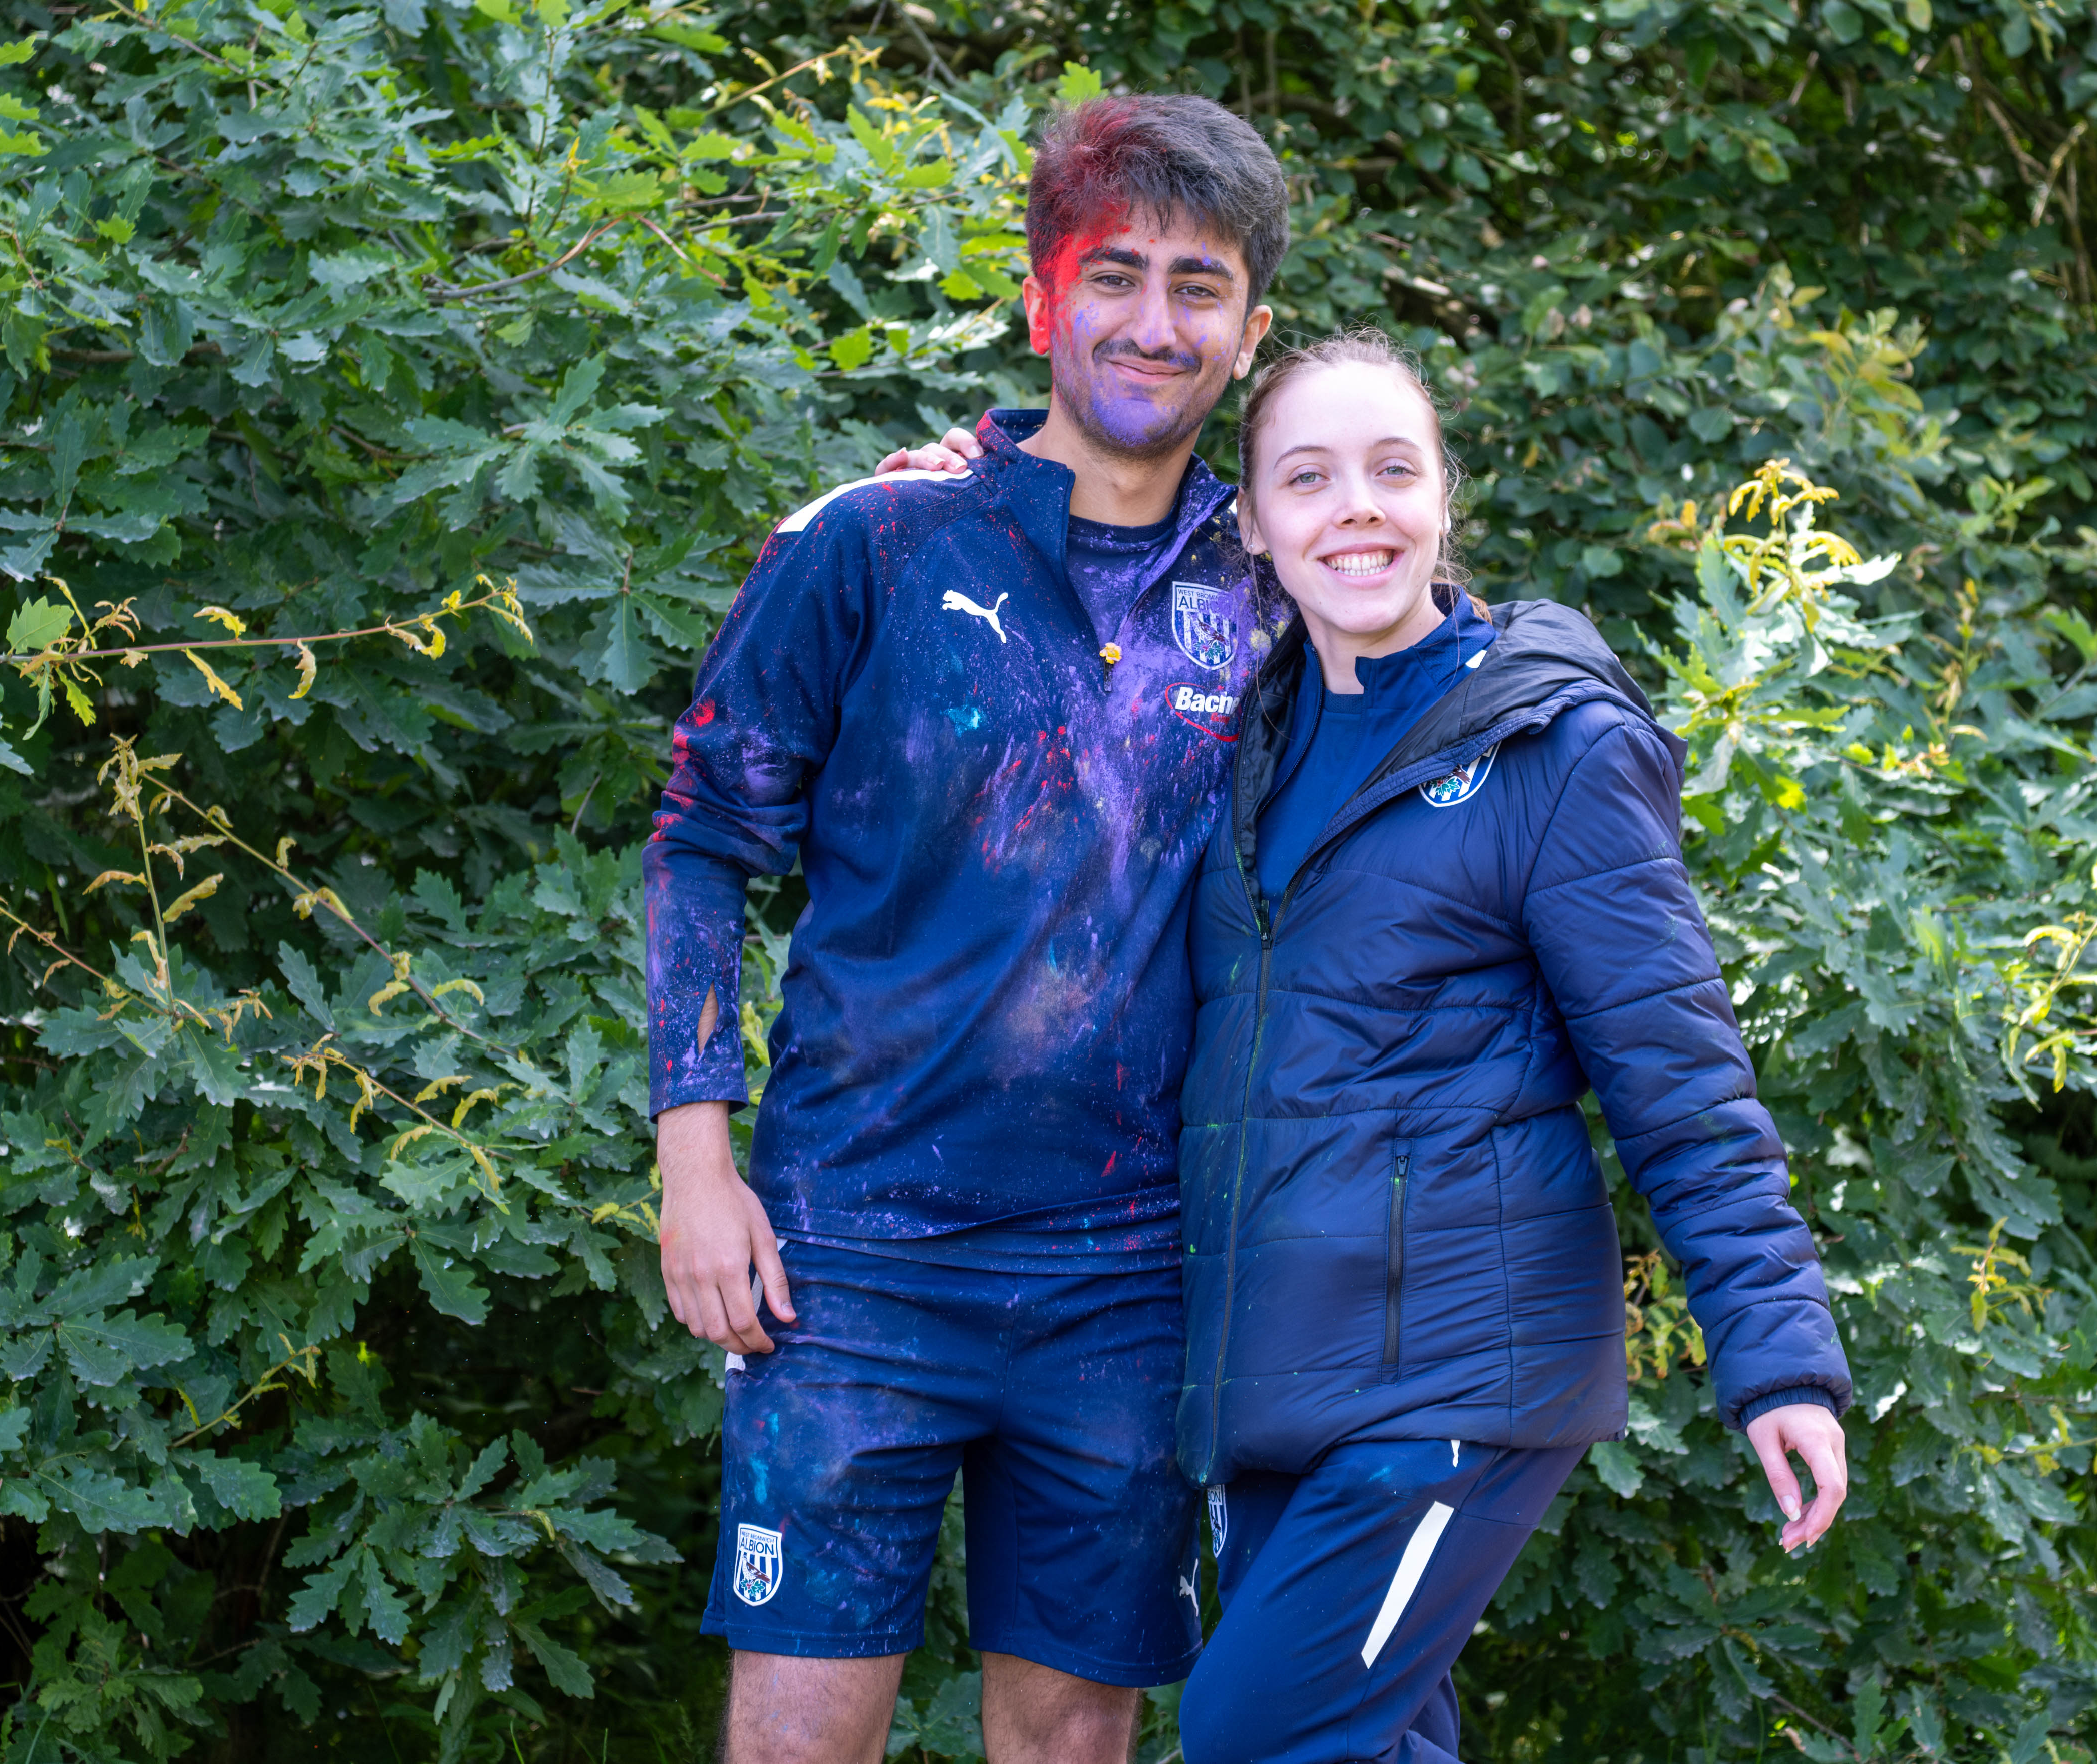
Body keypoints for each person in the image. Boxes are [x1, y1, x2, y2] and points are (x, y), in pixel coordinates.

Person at [643, 93, 1284, 1764]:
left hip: (1131, 1275)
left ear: (1251, 326)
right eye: (1118, 273)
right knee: (797, 1737)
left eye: (1200, 284)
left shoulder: (1276, 592)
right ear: (1041, 298)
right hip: (847, 1253)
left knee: (1072, 1743)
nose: (1157, 320)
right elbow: (703, 845)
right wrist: (694, 1166)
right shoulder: (872, 541)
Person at [1171, 329, 1853, 1764]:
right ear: (1253, 523)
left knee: (1251, 1734)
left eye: (1391, 468)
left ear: (1441, 497)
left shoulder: (1551, 746)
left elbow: (1680, 1074)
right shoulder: (1246, 737)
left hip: (1453, 1376)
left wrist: (1779, 1357)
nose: (1355, 505)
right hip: (1278, 1369)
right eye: (1308, 476)